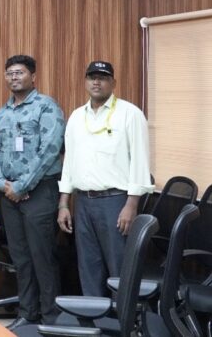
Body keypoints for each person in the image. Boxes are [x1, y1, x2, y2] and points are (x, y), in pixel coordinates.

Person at [58, 61, 152, 297]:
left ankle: (123, 317)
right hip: (83, 202)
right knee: (88, 265)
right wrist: (63, 204)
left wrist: (131, 205)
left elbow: (140, 161)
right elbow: (69, 162)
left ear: (113, 83)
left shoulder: (130, 114)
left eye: (102, 78)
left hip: (115, 202)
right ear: (85, 82)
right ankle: (94, 317)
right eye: (92, 77)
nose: (96, 82)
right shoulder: (77, 116)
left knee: (119, 266)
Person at [0, 55, 65, 328]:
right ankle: (27, 313)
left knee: (42, 255)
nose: (14, 77)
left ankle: (51, 317)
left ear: (33, 76)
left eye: (19, 73)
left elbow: (50, 150)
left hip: (40, 192)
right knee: (20, 257)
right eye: (10, 73)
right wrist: (2, 183)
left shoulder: (46, 107)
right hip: (9, 194)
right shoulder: (3, 112)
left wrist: (22, 186)